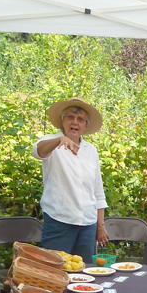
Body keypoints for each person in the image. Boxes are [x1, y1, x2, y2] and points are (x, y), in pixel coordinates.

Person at [32, 98, 109, 263]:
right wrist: (59, 141)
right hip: (59, 222)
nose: (75, 122)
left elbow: (97, 192)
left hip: (87, 225)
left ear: (85, 126)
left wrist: (100, 226)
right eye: (71, 117)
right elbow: (37, 151)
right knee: (53, 272)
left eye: (80, 119)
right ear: (63, 120)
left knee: (84, 273)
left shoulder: (91, 150)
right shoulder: (52, 141)